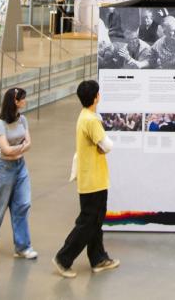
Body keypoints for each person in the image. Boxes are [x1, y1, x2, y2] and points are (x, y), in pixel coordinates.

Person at [53, 80, 120, 278]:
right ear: (95, 97)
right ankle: (63, 258)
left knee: (95, 221)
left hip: (92, 178)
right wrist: (104, 145)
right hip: (93, 181)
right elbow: (107, 145)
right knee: (88, 222)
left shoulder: (85, 117)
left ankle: (98, 258)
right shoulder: (91, 120)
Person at [0, 88, 37, 259]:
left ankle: (22, 246)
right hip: (4, 169)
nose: (25, 101)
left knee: (22, 205)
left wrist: (17, 150)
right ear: (15, 102)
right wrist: (20, 148)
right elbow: (5, 150)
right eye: (22, 99)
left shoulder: (23, 120)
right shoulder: (0, 124)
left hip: (21, 167)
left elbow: (29, 143)